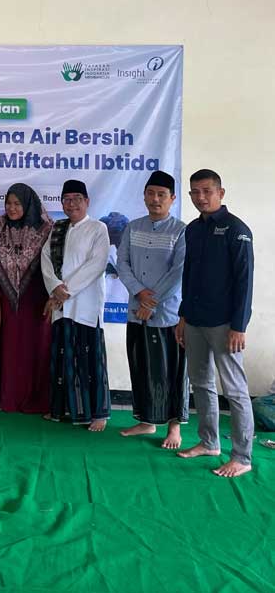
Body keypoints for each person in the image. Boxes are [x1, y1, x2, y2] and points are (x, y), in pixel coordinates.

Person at [177, 169, 254, 478]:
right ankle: (209, 442)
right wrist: (183, 316)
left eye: (207, 191)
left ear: (221, 193)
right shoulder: (193, 230)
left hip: (225, 324)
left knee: (234, 391)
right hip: (194, 320)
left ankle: (242, 456)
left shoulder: (237, 230)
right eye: (195, 192)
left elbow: (245, 282)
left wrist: (239, 326)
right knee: (201, 383)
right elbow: (188, 276)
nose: (200, 197)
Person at [116, 171, 187, 448]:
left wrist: (151, 302)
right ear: (144, 195)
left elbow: (178, 272)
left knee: (171, 371)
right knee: (141, 367)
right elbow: (122, 263)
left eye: (161, 195)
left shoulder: (180, 230)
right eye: (150, 193)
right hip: (136, 312)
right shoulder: (133, 227)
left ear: (172, 198)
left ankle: (174, 427)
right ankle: (147, 421)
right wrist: (139, 293)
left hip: (167, 316)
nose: (155, 199)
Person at [41, 179, 110, 430]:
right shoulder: (57, 229)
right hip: (62, 307)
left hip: (86, 306)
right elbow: (45, 260)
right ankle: (62, 409)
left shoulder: (98, 228)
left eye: (77, 199)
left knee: (91, 360)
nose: (71, 204)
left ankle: (98, 414)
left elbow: (97, 264)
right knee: (63, 360)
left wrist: (64, 291)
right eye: (67, 200)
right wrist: (54, 287)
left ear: (87, 201)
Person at [0, 183, 52, 413]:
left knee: (35, 347)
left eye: (17, 203)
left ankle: (36, 400)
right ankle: (9, 398)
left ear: (28, 203)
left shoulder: (46, 229)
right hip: (6, 299)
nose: (12, 208)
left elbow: (54, 264)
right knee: (9, 346)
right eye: (8, 203)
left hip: (36, 297)